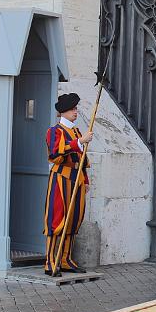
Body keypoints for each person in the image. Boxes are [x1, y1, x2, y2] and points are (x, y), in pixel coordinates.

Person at [43, 93, 94, 276]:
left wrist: (85, 180)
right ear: (63, 111)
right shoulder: (55, 131)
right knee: (56, 220)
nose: (75, 112)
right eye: (72, 109)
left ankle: (65, 260)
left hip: (77, 180)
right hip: (61, 179)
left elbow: (82, 160)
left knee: (73, 220)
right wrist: (78, 142)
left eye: (75, 108)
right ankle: (50, 261)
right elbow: (55, 155)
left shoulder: (77, 131)